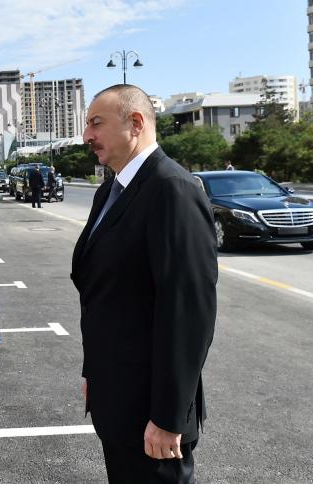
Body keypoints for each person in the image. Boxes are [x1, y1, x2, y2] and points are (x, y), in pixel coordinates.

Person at [73, 84, 217, 483]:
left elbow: (188, 315)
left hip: (153, 418)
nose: (87, 136)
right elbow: (105, 296)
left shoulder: (172, 190)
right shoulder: (111, 190)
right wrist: (95, 376)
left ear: (135, 123)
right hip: (118, 401)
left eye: (96, 123)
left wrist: (168, 417)